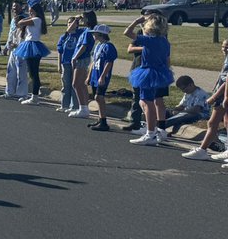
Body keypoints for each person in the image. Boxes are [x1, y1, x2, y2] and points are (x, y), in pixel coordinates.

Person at [127, 14, 173, 146]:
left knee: (147, 103)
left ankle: (150, 133)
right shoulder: (164, 41)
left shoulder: (149, 41)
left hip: (148, 72)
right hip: (159, 71)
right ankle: (152, 128)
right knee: (145, 102)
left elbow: (127, 33)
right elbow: (167, 60)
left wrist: (136, 21)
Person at [181, 40, 228, 163]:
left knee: (212, 123)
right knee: (225, 122)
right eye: (223, 47)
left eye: (227, 47)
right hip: (222, 95)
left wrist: (215, 96)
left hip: (222, 96)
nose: (225, 49)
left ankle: (202, 150)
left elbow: (226, 81)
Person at [15, 1, 50, 105]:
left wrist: (24, 18)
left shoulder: (36, 19)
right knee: (32, 73)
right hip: (31, 44)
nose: (29, 13)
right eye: (29, 11)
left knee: (33, 73)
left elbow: (20, 22)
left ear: (36, 11)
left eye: (31, 11)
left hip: (32, 45)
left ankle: (34, 97)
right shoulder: (36, 19)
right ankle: (33, 96)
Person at [68, 10, 99, 119]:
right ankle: (84, 107)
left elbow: (84, 46)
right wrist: (76, 19)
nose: (82, 20)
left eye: (84, 18)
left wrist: (75, 57)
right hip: (82, 58)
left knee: (76, 83)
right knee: (81, 84)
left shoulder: (89, 31)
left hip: (82, 58)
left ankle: (83, 108)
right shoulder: (85, 30)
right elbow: (69, 30)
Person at [86, 25, 117, 132]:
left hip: (101, 76)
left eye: (95, 33)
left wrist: (103, 76)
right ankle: (100, 118)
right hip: (95, 75)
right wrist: (89, 76)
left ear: (100, 34)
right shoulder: (98, 46)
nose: (93, 35)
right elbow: (93, 61)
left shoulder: (109, 46)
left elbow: (109, 62)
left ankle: (104, 121)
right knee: (96, 97)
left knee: (99, 97)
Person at [55, 15, 82, 114]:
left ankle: (74, 105)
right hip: (65, 63)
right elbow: (60, 51)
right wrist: (59, 65)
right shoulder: (64, 36)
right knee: (65, 85)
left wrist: (77, 19)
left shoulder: (80, 34)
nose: (70, 24)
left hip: (76, 63)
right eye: (69, 23)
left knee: (74, 85)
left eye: (73, 22)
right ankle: (64, 105)